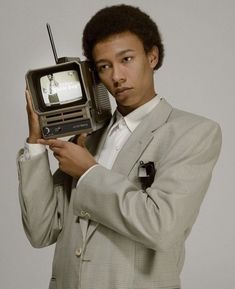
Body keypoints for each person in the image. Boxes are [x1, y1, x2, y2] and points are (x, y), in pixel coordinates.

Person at [17, 4, 222, 289]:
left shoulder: (193, 133)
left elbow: (161, 227)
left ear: (152, 56)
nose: (117, 76)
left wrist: (88, 172)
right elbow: (41, 232)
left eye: (126, 59)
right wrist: (36, 145)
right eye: (104, 66)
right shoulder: (87, 139)